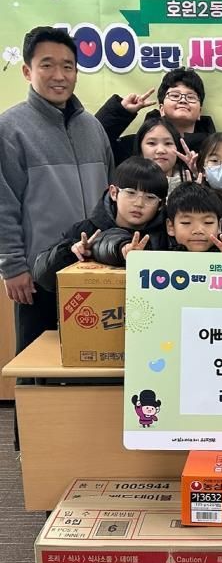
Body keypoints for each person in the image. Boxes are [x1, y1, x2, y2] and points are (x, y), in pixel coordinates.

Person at [0, 25, 113, 358]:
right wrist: (13, 267)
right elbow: (3, 205)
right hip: (39, 276)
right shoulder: (10, 129)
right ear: (27, 71)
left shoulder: (92, 127)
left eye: (68, 66)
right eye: (47, 65)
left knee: (93, 366)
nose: (59, 75)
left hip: (96, 272)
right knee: (37, 368)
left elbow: (111, 198)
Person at [33, 157, 169, 286]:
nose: (139, 203)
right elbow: (42, 276)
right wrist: (70, 252)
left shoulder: (166, 234)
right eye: (130, 193)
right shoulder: (86, 231)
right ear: (114, 193)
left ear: (160, 204)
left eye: (150, 197)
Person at [95, 67, 215, 166]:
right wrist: (121, 111)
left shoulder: (214, 150)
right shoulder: (136, 146)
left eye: (191, 97)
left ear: (199, 112)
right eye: (175, 95)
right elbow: (94, 144)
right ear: (161, 109)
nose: (183, 101)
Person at [134, 116, 186, 193]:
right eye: (152, 143)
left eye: (168, 143)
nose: (160, 150)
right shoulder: (126, 184)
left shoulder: (192, 181)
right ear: (140, 148)